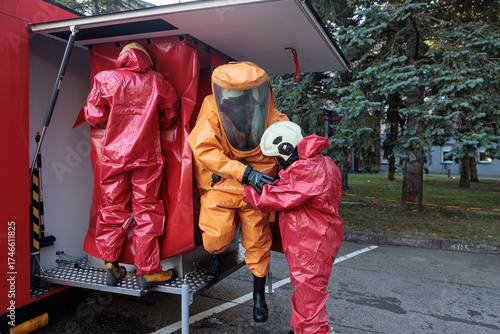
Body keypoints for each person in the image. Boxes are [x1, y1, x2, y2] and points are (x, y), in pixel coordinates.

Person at [187, 61, 288, 322]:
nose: (240, 105)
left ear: (257, 94)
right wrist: (246, 173)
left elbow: (285, 136)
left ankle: (258, 298)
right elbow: (204, 149)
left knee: (258, 242)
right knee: (216, 236)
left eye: (245, 98)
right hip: (222, 185)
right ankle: (217, 258)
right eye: (234, 100)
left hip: (254, 191)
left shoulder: (268, 114)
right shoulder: (212, 109)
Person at [84, 42, 179, 290]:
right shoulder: (157, 81)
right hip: (146, 156)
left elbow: (94, 116)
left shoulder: (105, 78)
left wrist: (113, 119)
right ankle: (147, 271)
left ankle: (111, 265)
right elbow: (171, 114)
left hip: (114, 156)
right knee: (147, 210)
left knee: (112, 208)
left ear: (121, 58)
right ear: (146, 60)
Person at [243, 121, 344, 334]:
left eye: (278, 159)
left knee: (309, 300)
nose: (279, 164)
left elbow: (271, 199)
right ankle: (300, 329)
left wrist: (243, 182)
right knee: (305, 292)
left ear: (286, 149)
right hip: (316, 240)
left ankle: (313, 331)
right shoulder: (322, 162)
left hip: (310, 244)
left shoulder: (307, 169)